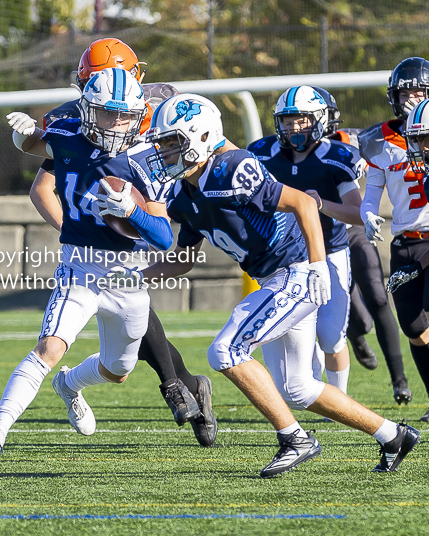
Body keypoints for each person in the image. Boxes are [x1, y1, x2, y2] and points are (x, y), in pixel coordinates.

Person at [136, 93, 419, 477]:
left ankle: (295, 439)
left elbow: (303, 204)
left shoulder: (233, 168)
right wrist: (132, 279)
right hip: (274, 278)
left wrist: (319, 268)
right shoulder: (186, 192)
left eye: (173, 144)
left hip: (297, 271)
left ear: (202, 138)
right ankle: (393, 435)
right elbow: (183, 259)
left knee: (227, 351)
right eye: (163, 145)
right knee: (298, 387)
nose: (165, 154)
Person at [0, 68, 176, 467]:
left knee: (119, 371)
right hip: (80, 266)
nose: (117, 123)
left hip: (129, 277)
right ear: (87, 110)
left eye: (125, 115)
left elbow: (164, 239)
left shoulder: (148, 159)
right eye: (107, 113)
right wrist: (23, 132)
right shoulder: (67, 136)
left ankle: (69, 384)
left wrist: (133, 211)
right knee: (50, 346)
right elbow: (35, 144)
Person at [31, 38, 216, 446]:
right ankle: (181, 385)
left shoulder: (165, 105)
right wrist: (83, 229)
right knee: (130, 302)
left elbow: (214, 141)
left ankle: (182, 384)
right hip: (126, 218)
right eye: (94, 85)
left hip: (182, 201)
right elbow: (41, 189)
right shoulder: (81, 123)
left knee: (140, 294)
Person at [248, 86, 363, 399]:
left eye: (302, 120)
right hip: (285, 258)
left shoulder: (336, 156)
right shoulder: (261, 153)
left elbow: (359, 214)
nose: (294, 127)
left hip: (331, 252)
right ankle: (314, 394)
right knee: (300, 330)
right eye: (288, 121)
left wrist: (321, 204)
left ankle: (340, 397)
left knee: (331, 336)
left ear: (321, 120)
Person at [312, 86, 411, 404]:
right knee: (348, 317)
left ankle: (399, 380)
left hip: (352, 229)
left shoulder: (352, 141)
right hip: (317, 238)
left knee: (379, 299)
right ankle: (353, 335)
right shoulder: (283, 152)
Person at [358, 56, 429, 420]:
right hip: (405, 241)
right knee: (415, 327)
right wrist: (368, 212)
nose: (411, 100)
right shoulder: (378, 141)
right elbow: (372, 192)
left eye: (418, 92)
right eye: (405, 93)